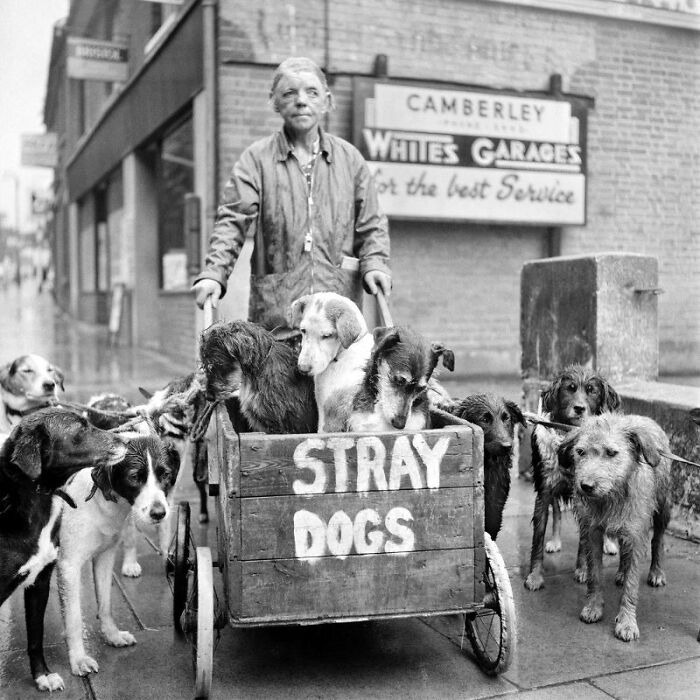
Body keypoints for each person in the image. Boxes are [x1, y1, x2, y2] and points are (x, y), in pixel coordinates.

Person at [192, 56, 391, 333]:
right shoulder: (256, 160)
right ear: (274, 101)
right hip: (278, 321)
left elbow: (371, 225)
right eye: (289, 92)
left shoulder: (351, 160)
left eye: (312, 92)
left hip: (335, 324)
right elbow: (231, 222)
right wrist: (214, 274)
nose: (301, 100)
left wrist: (375, 264)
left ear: (327, 100)